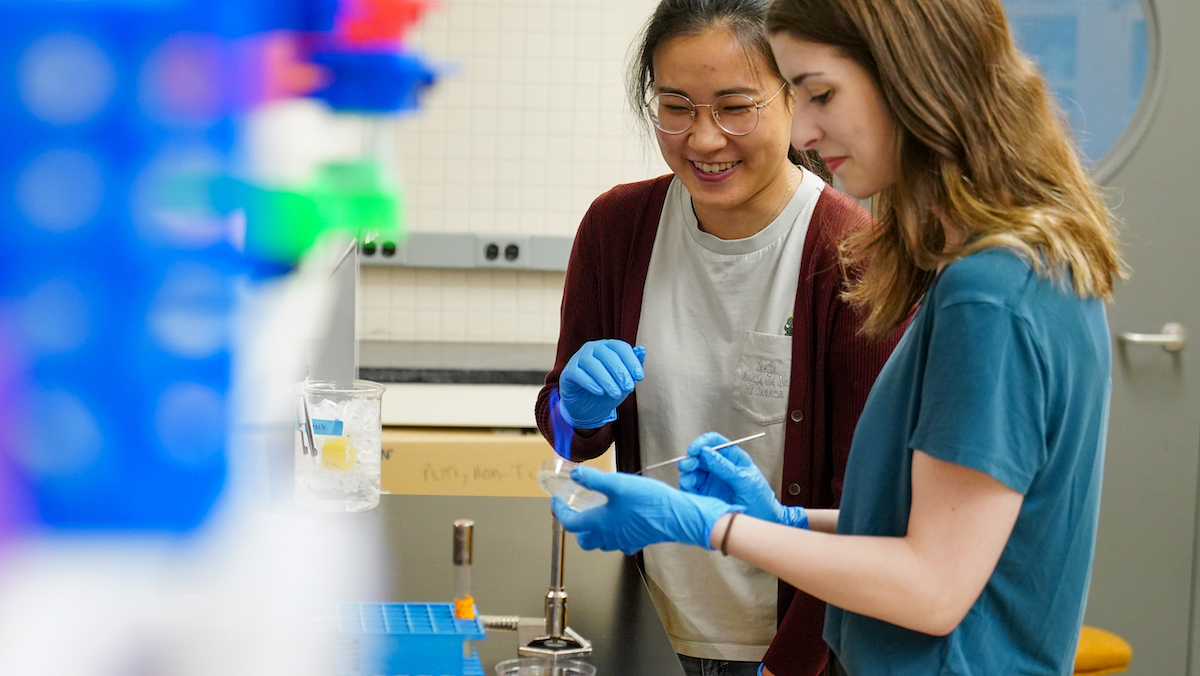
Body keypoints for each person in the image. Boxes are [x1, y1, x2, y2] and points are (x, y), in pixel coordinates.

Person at [549, 0, 1125, 675]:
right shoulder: (1016, 264)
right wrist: (784, 524)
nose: (808, 129)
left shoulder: (990, 293)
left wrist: (710, 526)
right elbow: (927, 531)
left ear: (914, 80)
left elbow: (931, 589)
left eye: (818, 95)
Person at [534, 1, 905, 674]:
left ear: (795, 102)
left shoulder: (856, 258)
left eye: (735, 107)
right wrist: (577, 407)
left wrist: (787, 665)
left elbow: (864, 514)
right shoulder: (618, 228)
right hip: (648, 621)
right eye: (676, 106)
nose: (703, 139)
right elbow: (571, 429)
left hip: (791, 645)